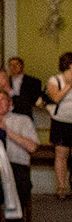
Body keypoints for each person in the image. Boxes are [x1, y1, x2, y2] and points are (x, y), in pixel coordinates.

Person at [0, 86, 37, 222]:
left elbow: (32, 147)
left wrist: (7, 132)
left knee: (20, 184)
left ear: (10, 103)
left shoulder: (23, 120)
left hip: (17, 165)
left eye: (3, 100)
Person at [46, 53, 72, 200]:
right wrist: (68, 85)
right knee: (61, 155)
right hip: (61, 121)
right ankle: (61, 188)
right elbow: (55, 98)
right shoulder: (55, 80)